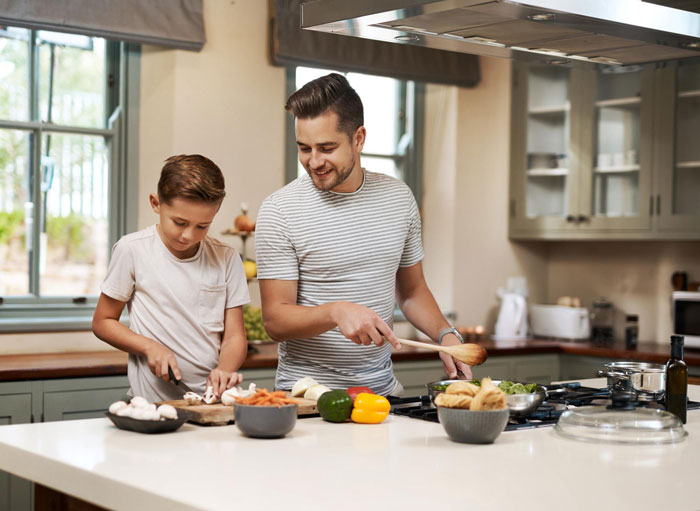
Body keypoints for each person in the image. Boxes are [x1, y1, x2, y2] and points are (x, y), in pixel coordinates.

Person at [255, 73, 471, 396]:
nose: (314, 162)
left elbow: (412, 292)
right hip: (306, 398)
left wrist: (444, 334)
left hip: (382, 395)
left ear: (358, 138)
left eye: (326, 148)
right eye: (304, 148)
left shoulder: (399, 199)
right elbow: (275, 320)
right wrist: (335, 311)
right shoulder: (279, 211)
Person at [92, 154, 250, 402]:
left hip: (212, 401)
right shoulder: (132, 250)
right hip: (153, 402)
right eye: (179, 222)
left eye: (202, 226)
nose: (189, 235)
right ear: (156, 203)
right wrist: (149, 346)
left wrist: (225, 369)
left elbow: (234, 336)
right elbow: (103, 322)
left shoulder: (226, 257)